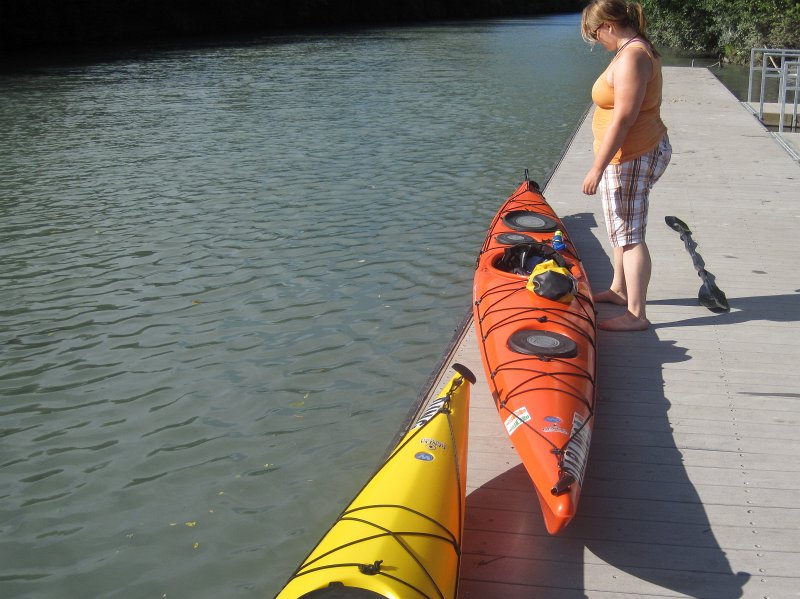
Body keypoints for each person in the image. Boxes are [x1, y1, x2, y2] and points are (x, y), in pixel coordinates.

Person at [580, 0, 672, 331]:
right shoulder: (631, 49)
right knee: (621, 227)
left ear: (607, 26)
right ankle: (620, 290)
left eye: (594, 35)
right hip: (632, 153)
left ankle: (636, 314)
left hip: (630, 156)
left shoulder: (633, 56)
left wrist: (597, 167)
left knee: (630, 235)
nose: (596, 42)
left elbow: (624, 117)